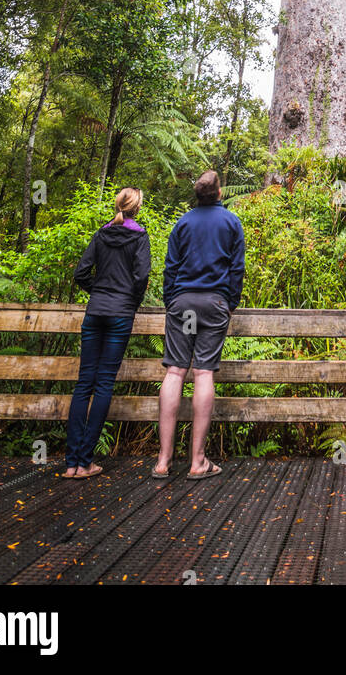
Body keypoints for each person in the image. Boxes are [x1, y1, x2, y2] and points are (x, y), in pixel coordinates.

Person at [153, 169, 245, 480]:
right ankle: (198, 461)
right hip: (214, 302)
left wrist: (172, 301)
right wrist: (229, 302)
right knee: (203, 371)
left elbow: (170, 267)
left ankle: (163, 461)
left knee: (176, 371)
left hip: (183, 302)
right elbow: (237, 268)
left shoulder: (183, 222)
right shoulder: (231, 222)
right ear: (219, 193)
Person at [64, 187, 151, 479]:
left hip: (94, 312)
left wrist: (98, 292)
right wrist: (129, 302)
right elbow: (141, 277)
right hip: (119, 315)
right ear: (137, 209)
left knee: (83, 384)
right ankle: (86, 461)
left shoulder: (102, 234)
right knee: (103, 385)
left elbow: (80, 273)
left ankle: (72, 463)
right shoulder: (139, 236)